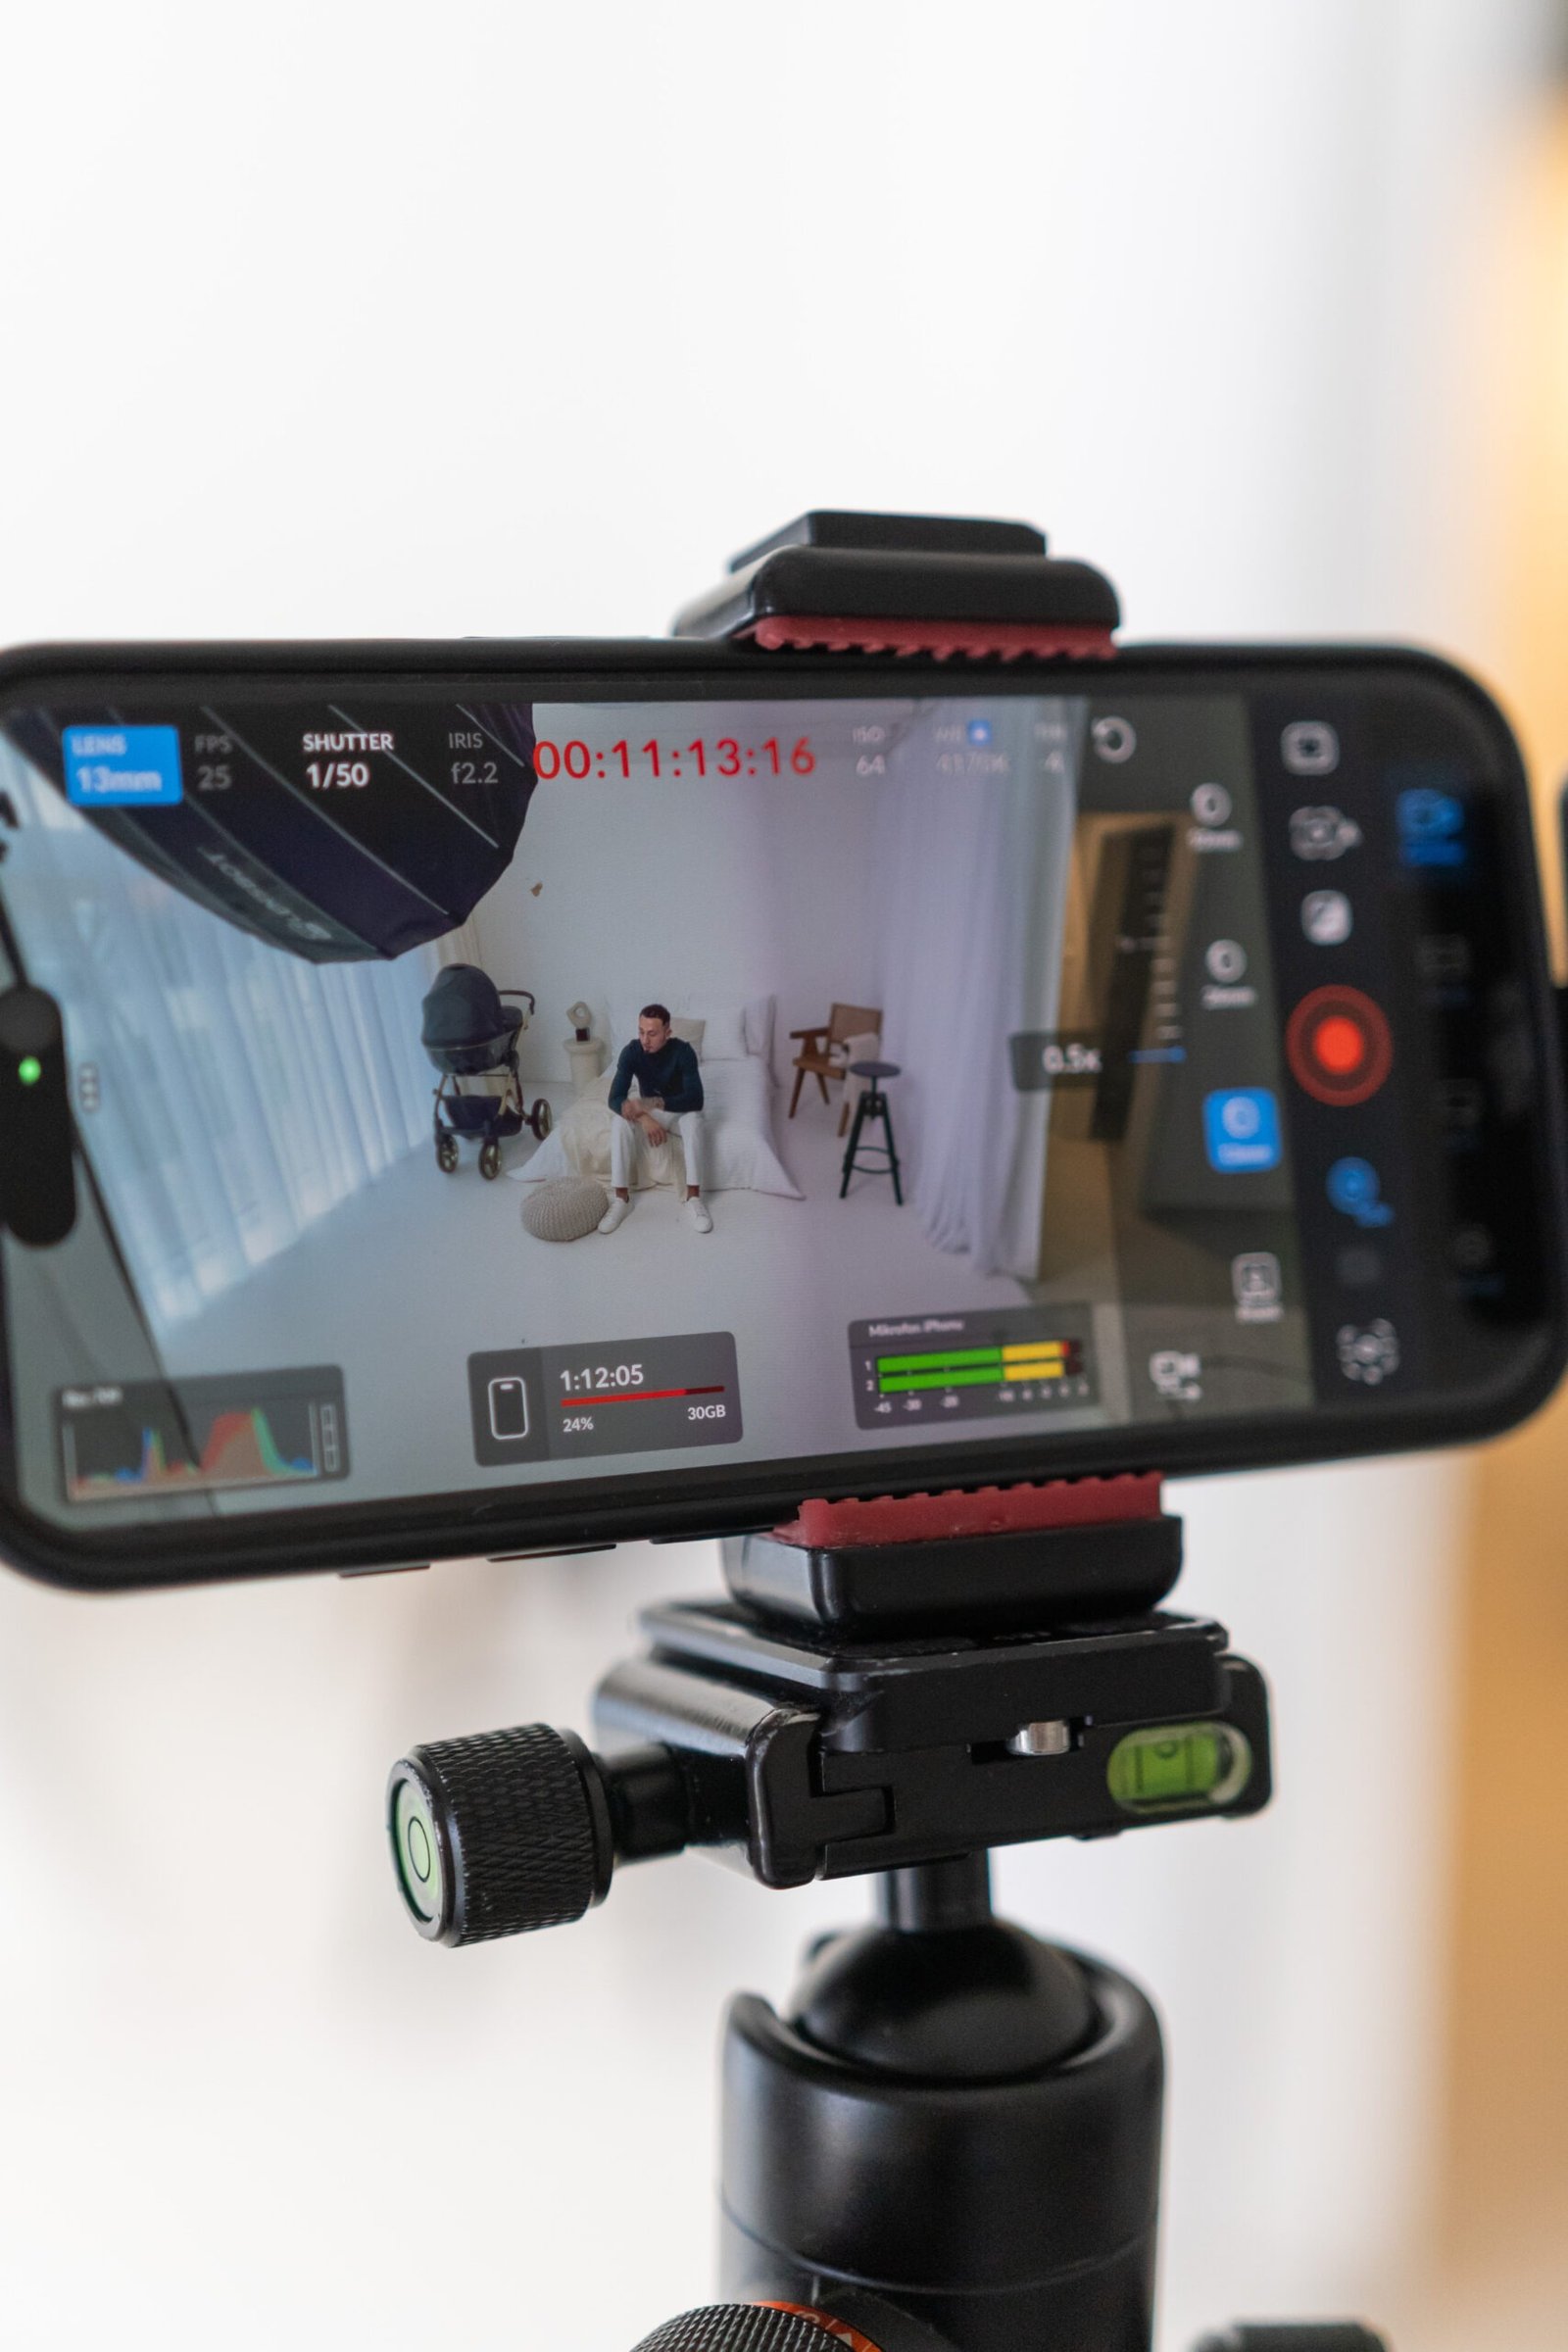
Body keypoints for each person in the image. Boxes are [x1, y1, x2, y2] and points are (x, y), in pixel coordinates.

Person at [598, 1004, 710, 1234]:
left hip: (680, 1110)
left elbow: (696, 1099)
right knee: (619, 1121)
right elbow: (615, 1098)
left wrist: (650, 1104)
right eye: (641, 1032)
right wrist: (643, 1117)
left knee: (693, 1123)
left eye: (652, 1033)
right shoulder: (631, 1051)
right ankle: (621, 1199)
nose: (644, 1040)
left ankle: (694, 1198)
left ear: (667, 1032)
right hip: (650, 1111)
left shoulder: (683, 1051)